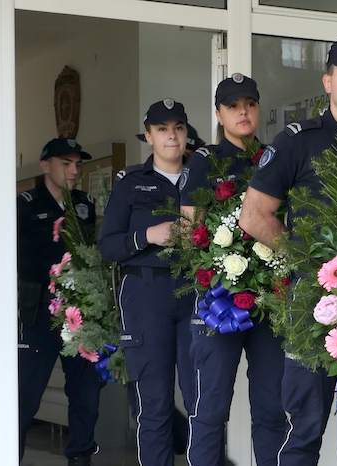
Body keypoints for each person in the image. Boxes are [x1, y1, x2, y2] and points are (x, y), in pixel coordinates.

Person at [238, 34, 337, 466]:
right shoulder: (298, 140)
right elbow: (254, 216)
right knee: (304, 427)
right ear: (328, 82)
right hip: (314, 302)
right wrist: (309, 262)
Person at [182, 73, 287, 466]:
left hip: (269, 300)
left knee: (272, 407)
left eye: (250, 104)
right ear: (219, 114)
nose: (243, 112)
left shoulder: (274, 156)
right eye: (233, 106)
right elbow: (190, 232)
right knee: (211, 406)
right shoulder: (205, 161)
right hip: (220, 300)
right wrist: (221, 267)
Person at [98, 99, 197, 466]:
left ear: (186, 134)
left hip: (195, 292)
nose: (171, 136)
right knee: (154, 403)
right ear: (149, 136)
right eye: (162, 129)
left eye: (178, 128)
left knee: (203, 401)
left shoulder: (201, 177)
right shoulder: (131, 183)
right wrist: (147, 235)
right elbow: (108, 246)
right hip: (146, 293)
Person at [17, 138, 103, 466]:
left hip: (79, 310)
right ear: (45, 165)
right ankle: (11, 455)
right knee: (27, 393)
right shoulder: (25, 204)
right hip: (39, 309)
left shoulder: (85, 203)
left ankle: (81, 457)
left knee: (85, 392)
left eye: (78, 164)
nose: (74, 170)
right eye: (66, 163)